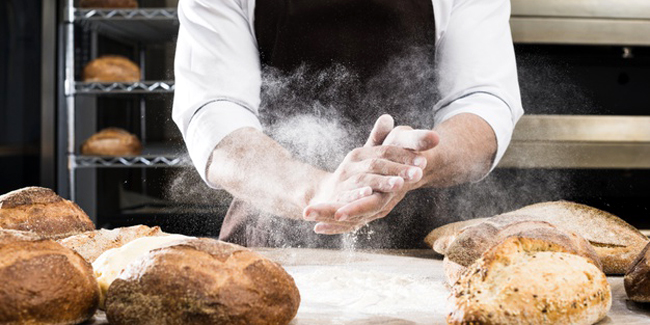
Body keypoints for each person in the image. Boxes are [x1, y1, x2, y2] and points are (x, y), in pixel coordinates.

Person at [172, 0, 524, 248]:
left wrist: (410, 165)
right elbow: (214, 110)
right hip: (270, 234)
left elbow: (483, 101)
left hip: (417, 237)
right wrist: (315, 190)